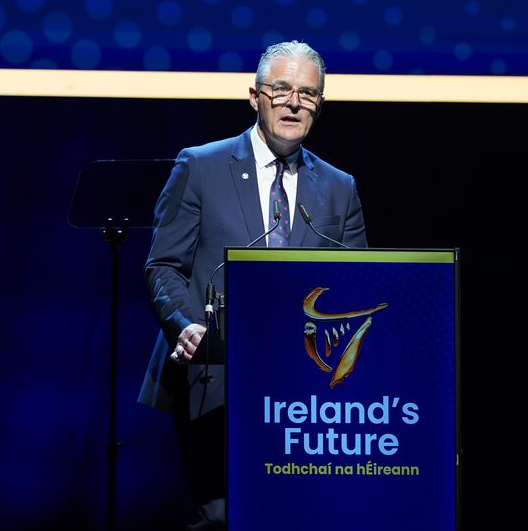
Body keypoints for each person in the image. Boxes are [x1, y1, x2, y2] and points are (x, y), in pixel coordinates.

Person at [138, 40, 368, 530]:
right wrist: (186, 326)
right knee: (221, 517)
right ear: (254, 96)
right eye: (280, 89)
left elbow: (354, 287)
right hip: (215, 378)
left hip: (304, 389)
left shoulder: (339, 187)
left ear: (320, 105)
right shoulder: (200, 166)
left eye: (307, 94)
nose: (293, 103)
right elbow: (164, 266)